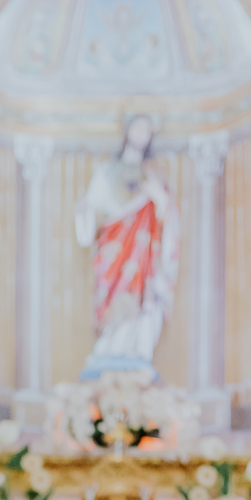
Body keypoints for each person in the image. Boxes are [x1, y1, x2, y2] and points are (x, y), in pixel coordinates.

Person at [74, 113, 179, 381]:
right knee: (114, 295)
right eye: (137, 128)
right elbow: (91, 212)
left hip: (143, 250)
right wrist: (84, 214)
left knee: (142, 300)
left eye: (147, 130)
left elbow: (168, 216)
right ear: (127, 132)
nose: (141, 135)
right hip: (114, 246)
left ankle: (135, 350)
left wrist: (159, 200)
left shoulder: (153, 175)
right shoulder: (107, 172)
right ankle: (111, 347)